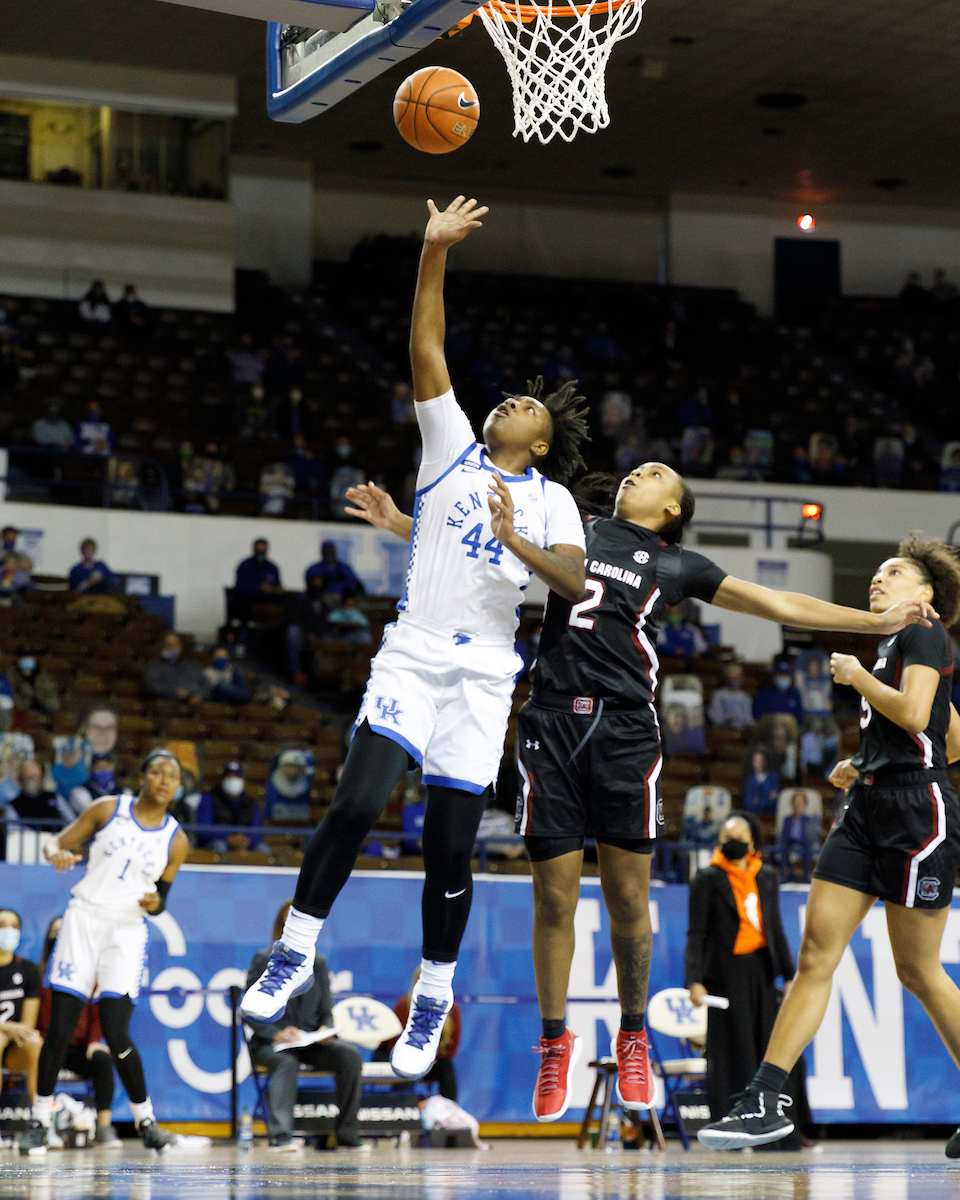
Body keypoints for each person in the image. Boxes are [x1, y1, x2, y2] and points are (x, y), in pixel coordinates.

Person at [242, 195, 590, 1093]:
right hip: (413, 651)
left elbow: (572, 585)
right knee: (356, 803)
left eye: (520, 403)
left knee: (448, 847)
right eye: (503, 396)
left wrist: (515, 539)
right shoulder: (451, 449)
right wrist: (432, 252)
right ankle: (294, 948)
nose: (504, 400)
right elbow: (425, 350)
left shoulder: (552, 503)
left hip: (483, 677)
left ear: (541, 441)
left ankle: (432, 994)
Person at [510, 461, 938, 1123]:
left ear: (671, 510)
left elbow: (779, 603)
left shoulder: (673, 562)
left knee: (628, 896)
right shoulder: (573, 523)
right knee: (554, 896)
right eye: (635, 468)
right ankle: (553, 1039)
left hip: (624, 727)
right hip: (550, 716)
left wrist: (871, 623)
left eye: (655, 473)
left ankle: (632, 1033)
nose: (636, 472)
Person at [698, 536, 960, 1156]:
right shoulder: (897, 643)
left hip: (917, 816)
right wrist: (865, 761)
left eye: (893, 572)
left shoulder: (924, 635)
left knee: (918, 971)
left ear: (924, 594)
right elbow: (947, 738)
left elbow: (919, 719)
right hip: (867, 808)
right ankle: (764, 1099)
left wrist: (859, 678)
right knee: (816, 955)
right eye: (875, 572)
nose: (878, 579)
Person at [18, 749, 189, 1154]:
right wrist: (56, 854)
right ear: (143, 775)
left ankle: (146, 1121)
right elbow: (55, 842)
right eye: (157, 771)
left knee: (116, 1031)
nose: (164, 780)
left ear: (178, 788)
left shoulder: (176, 839)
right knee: (58, 1028)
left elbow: (162, 897)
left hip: (127, 930)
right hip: (84, 919)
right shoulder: (108, 809)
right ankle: (41, 1120)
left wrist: (155, 905)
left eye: (173, 776)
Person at [685, 814, 810, 1144]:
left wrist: (790, 975)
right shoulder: (707, 878)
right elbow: (696, 933)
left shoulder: (765, 875)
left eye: (739, 835)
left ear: (752, 842)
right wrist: (694, 980)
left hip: (762, 970)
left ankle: (784, 1130)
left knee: (772, 1046)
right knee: (732, 1050)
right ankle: (729, 1127)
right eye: (727, 835)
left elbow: (775, 928)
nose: (732, 840)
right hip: (725, 975)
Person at [247, 900, 365, 1151]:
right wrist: (276, 1033)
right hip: (272, 1044)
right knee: (287, 1064)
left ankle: (346, 1135)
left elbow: (326, 1012)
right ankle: (281, 1137)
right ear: (282, 927)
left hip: (310, 1042)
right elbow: (249, 1012)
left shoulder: (318, 963)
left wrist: (325, 1030)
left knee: (350, 1057)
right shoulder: (263, 959)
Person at [36, 917, 122, 1148]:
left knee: (103, 1059)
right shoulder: (39, 974)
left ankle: (103, 1127)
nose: (59, 935)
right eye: (55, 931)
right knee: (43, 1054)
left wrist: (94, 1041)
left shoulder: (88, 974)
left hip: (77, 1049)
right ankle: (40, 1125)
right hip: (47, 1045)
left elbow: (96, 1012)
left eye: (63, 930)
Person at [374, 966, 460, 1100]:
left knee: (446, 1067)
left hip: (432, 1060)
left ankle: (449, 1111)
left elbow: (450, 1049)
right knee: (406, 1063)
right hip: (395, 1055)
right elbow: (392, 1042)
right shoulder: (403, 1005)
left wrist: (428, 1057)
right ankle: (401, 1108)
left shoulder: (452, 1009)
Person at [0, 909, 42, 1102]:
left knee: (35, 1042)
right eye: (2, 925)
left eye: (14, 926)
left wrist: (10, 1030)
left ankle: (42, 1121)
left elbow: (28, 1023)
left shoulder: (28, 969)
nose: (9, 931)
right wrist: (6, 1028)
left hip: (15, 1047)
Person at [197, 763, 269, 854]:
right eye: (228, 776)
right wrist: (227, 838)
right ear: (222, 780)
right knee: (219, 846)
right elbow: (203, 829)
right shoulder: (209, 798)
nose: (232, 779)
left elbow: (258, 831)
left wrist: (247, 840)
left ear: (243, 780)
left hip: (245, 842)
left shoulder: (250, 802)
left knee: (263, 849)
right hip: (217, 840)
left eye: (236, 776)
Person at [143, 634, 210, 704]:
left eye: (175, 645)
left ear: (180, 646)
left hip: (194, 703)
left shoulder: (193, 665)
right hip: (167, 704)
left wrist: (199, 695)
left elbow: (205, 684)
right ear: (163, 647)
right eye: (169, 645)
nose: (172, 648)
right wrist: (174, 692)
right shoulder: (155, 665)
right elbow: (152, 685)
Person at [708, 664, 754, 730]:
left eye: (736, 677)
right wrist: (729, 719)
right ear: (726, 678)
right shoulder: (718, 695)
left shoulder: (745, 697)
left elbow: (748, 719)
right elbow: (715, 717)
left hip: (742, 731)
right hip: (723, 731)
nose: (734, 680)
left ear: (741, 678)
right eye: (731, 677)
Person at [742, 749, 780, 815]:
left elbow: (774, 802)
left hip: (771, 816)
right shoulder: (749, 780)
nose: (758, 763)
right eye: (756, 760)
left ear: (765, 761)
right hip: (753, 815)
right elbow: (748, 804)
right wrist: (767, 798)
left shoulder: (773, 778)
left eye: (760, 760)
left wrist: (758, 801)